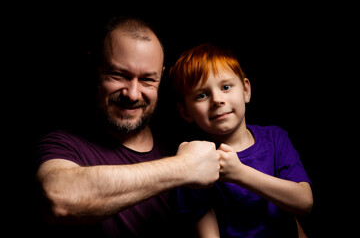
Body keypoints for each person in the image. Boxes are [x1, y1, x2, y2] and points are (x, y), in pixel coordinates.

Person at [33, 16, 221, 237]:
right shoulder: (64, 143)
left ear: (161, 75)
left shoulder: (180, 141)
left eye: (147, 80)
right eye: (118, 75)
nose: (132, 94)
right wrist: (184, 167)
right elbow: (57, 197)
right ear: (96, 68)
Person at [169, 43, 313, 237]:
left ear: (245, 90)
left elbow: (304, 202)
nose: (217, 100)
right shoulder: (195, 162)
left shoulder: (275, 138)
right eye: (202, 95)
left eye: (226, 87)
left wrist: (239, 173)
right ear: (186, 111)